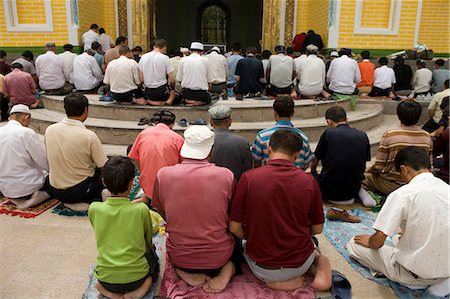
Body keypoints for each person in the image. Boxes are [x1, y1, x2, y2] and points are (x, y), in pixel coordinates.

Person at [230, 129, 332, 292]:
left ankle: (274, 282)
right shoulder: (309, 181)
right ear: (297, 155)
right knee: (314, 245)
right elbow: (317, 228)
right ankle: (319, 263)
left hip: (262, 267)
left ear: (269, 148)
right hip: (300, 263)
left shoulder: (248, 178)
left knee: (240, 245)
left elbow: (234, 227)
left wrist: (252, 237)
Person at [348, 146, 450, 298]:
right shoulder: (447, 188)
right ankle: (442, 281)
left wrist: (369, 241)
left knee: (353, 244)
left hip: (413, 275)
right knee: (398, 237)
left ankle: (422, 281)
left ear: (404, 169)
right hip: (447, 268)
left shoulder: (403, 194)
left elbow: (377, 243)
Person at [152, 125, 236, 293]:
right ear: (211, 150)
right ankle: (229, 268)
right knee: (238, 237)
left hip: (180, 257)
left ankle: (182, 272)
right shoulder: (226, 175)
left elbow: (160, 211)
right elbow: (232, 215)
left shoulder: (163, 174)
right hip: (219, 257)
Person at [89, 156, 158, 299]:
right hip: (138, 278)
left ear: (103, 182)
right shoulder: (141, 209)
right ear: (132, 183)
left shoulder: (94, 208)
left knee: (100, 278)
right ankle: (139, 291)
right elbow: (148, 242)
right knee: (154, 266)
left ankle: (107, 292)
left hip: (106, 279)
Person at [45, 92, 108, 211]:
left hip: (55, 189)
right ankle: (83, 204)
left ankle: (68, 203)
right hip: (80, 191)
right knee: (108, 171)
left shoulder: (50, 130)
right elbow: (103, 166)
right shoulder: (89, 136)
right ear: (86, 110)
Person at [311, 106, 375, 222]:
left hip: (330, 192)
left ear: (329, 122)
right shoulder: (362, 135)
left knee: (310, 177)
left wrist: (313, 173)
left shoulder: (328, 133)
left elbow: (315, 159)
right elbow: (363, 164)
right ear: (347, 119)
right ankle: (360, 193)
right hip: (352, 190)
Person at [362, 100, 432, 195]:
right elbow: (429, 164)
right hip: (418, 183)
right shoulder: (426, 136)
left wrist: (368, 170)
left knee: (361, 177)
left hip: (391, 183)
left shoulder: (390, 135)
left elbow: (379, 166)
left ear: (398, 115)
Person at [0, 104, 50, 209]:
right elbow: (43, 161)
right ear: (26, 117)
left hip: (5, 188)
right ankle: (34, 199)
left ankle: (17, 199)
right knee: (55, 182)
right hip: (28, 187)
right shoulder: (26, 133)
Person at [128, 110, 184, 203]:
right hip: (169, 186)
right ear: (172, 125)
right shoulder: (177, 138)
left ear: (154, 123)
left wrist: (145, 170)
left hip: (147, 184)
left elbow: (135, 157)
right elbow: (184, 163)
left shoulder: (143, 134)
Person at [252, 96, 313, 168]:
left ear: (274, 113)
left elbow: (256, 162)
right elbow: (306, 163)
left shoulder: (262, 136)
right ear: (293, 113)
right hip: (295, 177)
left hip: (269, 176)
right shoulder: (303, 137)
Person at [208, 105, 252, 180]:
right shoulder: (242, 142)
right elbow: (248, 169)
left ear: (211, 122)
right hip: (235, 187)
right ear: (230, 122)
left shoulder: (204, 141)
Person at [139, 39, 176, 106]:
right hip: (161, 91)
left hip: (149, 91)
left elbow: (141, 79)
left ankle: (150, 101)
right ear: (163, 47)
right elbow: (172, 79)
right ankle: (168, 101)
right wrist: (173, 88)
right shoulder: (165, 58)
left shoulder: (143, 57)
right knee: (175, 95)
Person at [177, 42, 212, 106]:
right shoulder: (206, 61)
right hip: (201, 94)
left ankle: (189, 101)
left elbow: (179, 79)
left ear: (190, 51)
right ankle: (198, 102)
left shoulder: (183, 60)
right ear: (201, 52)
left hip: (187, 93)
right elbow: (209, 82)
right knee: (208, 99)